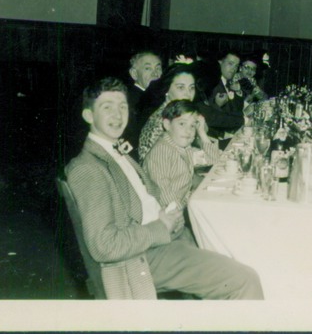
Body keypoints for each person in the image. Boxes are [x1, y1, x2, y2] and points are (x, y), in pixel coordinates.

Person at [64, 77, 264, 299]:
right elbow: (103, 245)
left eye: (122, 107)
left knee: (244, 247)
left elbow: (151, 196)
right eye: (107, 108)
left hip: (167, 237)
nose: (118, 115)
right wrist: (162, 227)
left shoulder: (116, 151)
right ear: (88, 115)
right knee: (244, 280)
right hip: (141, 257)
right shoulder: (87, 167)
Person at [143, 100, 220, 209]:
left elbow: (215, 160)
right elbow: (164, 196)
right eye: (182, 124)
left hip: (183, 203)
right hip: (169, 214)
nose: (188, 130)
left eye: (192, 126)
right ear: (167, 124)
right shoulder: (161, 153)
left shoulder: (184, 148)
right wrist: (185, 216)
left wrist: (202, 132)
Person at [138, 63, 203, 161]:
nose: (188, 93)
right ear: (167, 89)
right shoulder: (161, 121)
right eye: (181, 87)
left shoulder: (179, 112)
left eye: (191, 88)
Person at [124, 51, 163, 146]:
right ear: (134, 74)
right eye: (148, 68)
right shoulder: (130, 100)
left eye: (158, 68)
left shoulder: (159, 97)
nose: (155, 74)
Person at [205, 51, 246, 139]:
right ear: (220, 63)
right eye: (230, 64)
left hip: (229, 131)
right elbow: (210, 117)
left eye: (236, 66)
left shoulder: (227, 83)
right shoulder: (212, 84)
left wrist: (238, 91)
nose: (233, 69)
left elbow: (236, 110)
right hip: (216, 136)